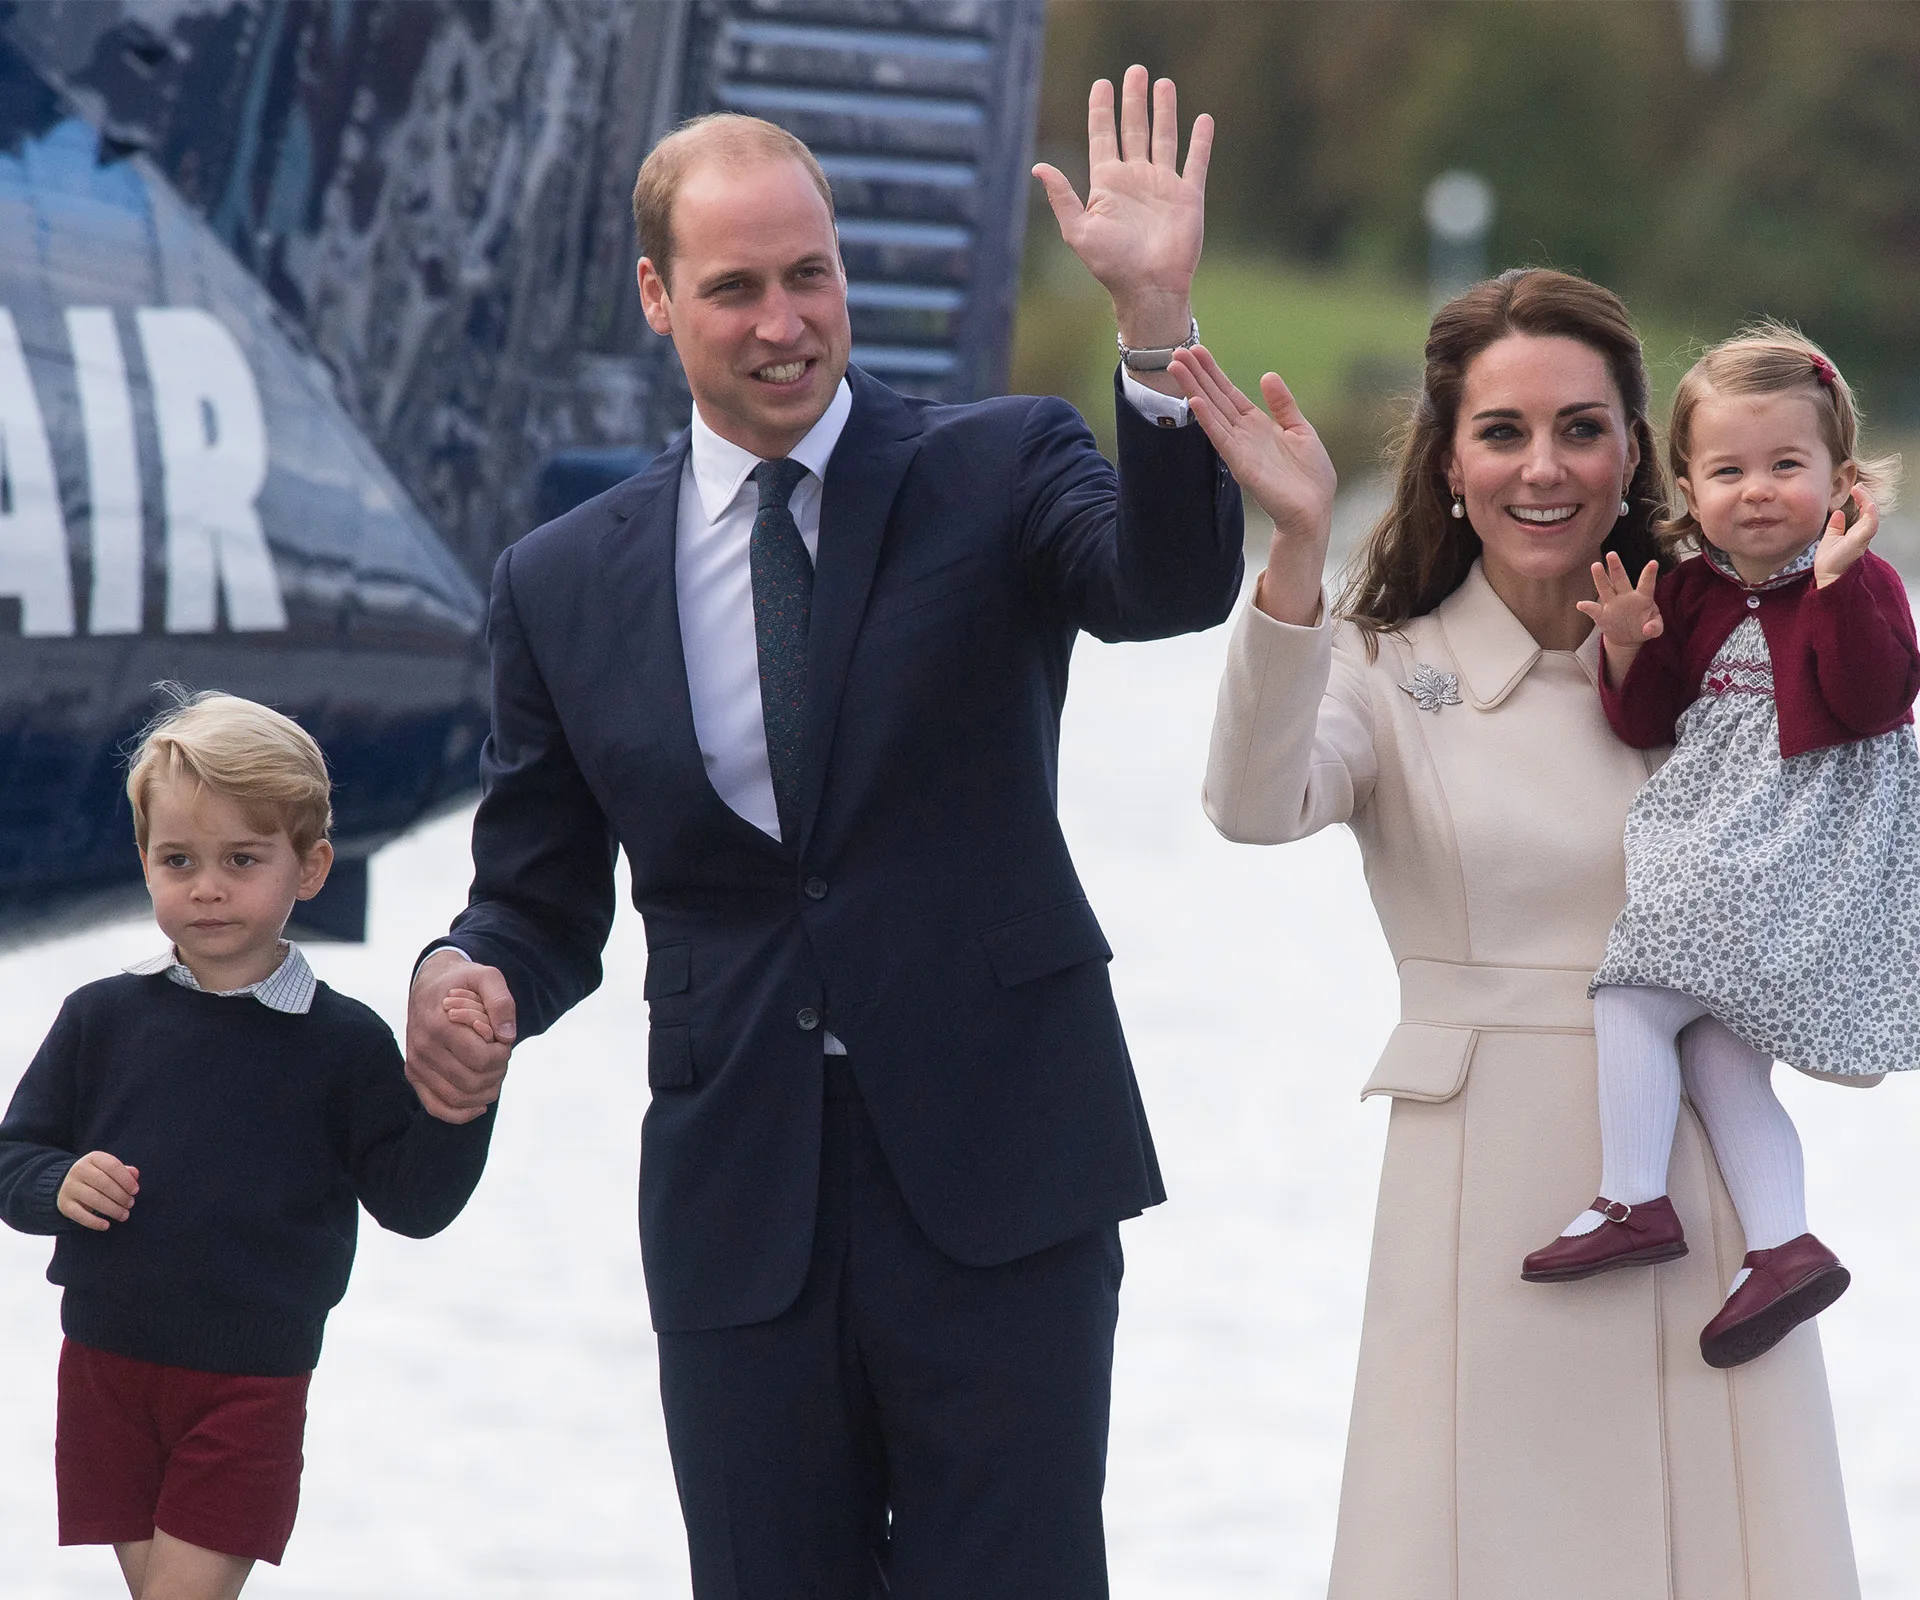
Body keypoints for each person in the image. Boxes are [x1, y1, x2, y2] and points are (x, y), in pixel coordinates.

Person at [401, 72, 1243, 1597]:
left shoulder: (1000, 466)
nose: (786, 320)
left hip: (1002, 1177)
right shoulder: (560, 580)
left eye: (811, 274)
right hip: (741, 1205)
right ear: (659, 298)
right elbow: (534, 899)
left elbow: (1166, 588)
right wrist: (469, 978)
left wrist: (1154, 331)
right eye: (737, 289)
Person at [1188, 270, 1859, 1596]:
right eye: (1502, 432)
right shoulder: (1380, 665)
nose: (1542, 469)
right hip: (1485, 1210)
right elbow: (1254, 809)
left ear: (1638, 457)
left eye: (1581, 429)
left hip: (1705, 1202)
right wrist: (1299, 552)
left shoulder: (1732, 656)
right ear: (1447, 463)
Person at [0, 692, 492, 1600]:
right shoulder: (99, 1018)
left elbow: (415, 1203)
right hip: (105, 1367)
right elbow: (14, 1157)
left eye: (242, 859)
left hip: (249, 1381)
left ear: (310, 868)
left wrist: (468, 1100)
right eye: (177, 859)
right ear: (143, 861)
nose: (208, 886)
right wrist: (57, 1181)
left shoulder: (344, 1043)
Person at [1520, 326, 1915, 1368]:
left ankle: (1633, 1197)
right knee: (1716, 1050)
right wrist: (1624, 645)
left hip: (1794, 851)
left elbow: (1877, 696)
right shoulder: (1690, 588)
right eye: (1728, 470)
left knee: (1634, 990)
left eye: (1788, 465)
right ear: (1689, 488)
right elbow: (1646, 723)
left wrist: (1835, 579)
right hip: (1725, 841)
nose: (1758, 491)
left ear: (1839, 478)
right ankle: (1782, 1244)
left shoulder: (1857, 578)